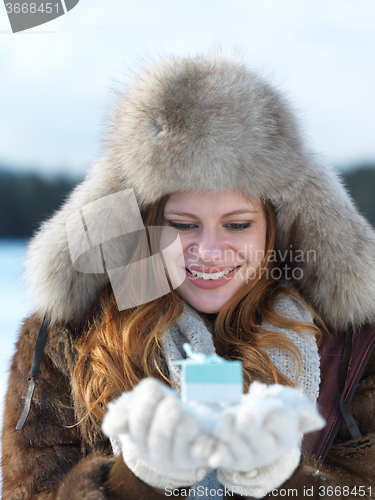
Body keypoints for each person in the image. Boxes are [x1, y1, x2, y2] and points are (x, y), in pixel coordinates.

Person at [2, 53, 375, 500]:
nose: (210, 252)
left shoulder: (349, 341)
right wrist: (131, 482)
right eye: (182, 225)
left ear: (276, 228)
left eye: (238, 225)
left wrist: (287, 482)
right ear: (143, 224)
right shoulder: (70, 337)